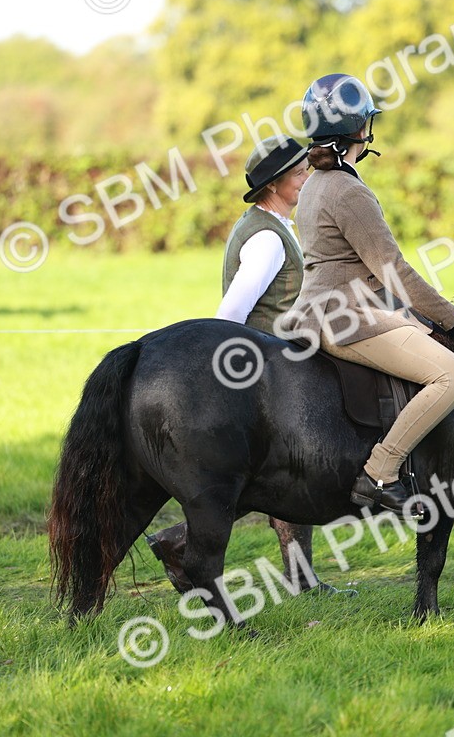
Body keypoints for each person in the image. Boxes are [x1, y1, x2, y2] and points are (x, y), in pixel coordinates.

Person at [146, 136, 351, 594]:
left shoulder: (271, 224)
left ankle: (299, 576)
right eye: (300, 175)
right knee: (279, 474)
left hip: (275, 368)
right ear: (276, 184)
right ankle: (179, 541)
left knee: (282, 474)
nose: (307, 180)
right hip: (271, 373)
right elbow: (231, 314)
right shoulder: (266, 239)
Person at [286, 73, 454, 515]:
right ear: (362, 130)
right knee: (453, 375)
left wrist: (412, 317)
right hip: (346, 318)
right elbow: (393, 270)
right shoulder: (348, 190)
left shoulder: (314, 185)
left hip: (320, 310)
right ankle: (381, 472)